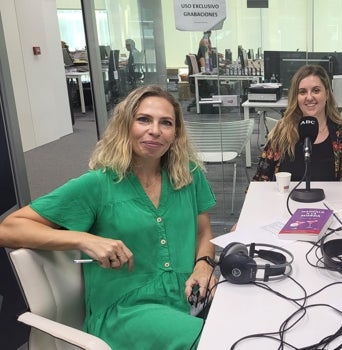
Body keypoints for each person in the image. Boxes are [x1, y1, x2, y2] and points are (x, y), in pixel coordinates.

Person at [0, 85, 218, 349]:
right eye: (144, 119)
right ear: (125, 126)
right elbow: (8, 229)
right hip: (125, 311)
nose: (155, 130)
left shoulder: (188, 175)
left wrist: (204, 264)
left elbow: (203, 232)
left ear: (175, 134)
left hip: (186, 298)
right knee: (216, 340)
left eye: (166, 123)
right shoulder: (98, 184)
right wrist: (84, 239)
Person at [252, 64, 342, 182]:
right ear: (296, 97)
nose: (309, 97)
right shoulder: (282, 132)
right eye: (302, 92)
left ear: (327, 94)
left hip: (329, 200)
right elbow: (260, 180)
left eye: (316, 90)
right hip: (285, 200)